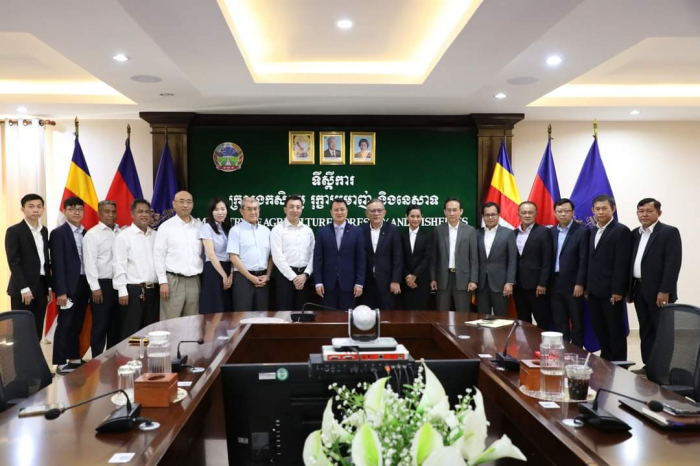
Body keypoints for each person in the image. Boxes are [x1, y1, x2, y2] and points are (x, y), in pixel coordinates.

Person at [629, 198, 682, 367]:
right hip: (639, 289)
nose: (644, 214)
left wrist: (665, 290)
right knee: (645, 330)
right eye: (641, 211)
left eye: (649, 211)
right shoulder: (634, 233)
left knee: (662, 332)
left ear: (659, 213)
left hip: (659, 291)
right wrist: (629, 290)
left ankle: (663, 369)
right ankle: (649, 367)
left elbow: (673, 264)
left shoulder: (669, 232)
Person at [587, 195, 632, 361]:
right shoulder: (592, 231)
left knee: (615, 330)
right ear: (592, 210)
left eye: (604, 208)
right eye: (597, 209)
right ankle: (606, 361)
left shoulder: (621, 231)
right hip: (594, 290)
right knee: (600, 328)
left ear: (613, 209)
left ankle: (619, 363)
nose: (600, 212)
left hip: (612, 292)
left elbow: (622, 263)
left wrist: (618, 290)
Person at [49, 197, 89, 367]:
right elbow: (57, 264)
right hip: (68, 286)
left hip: (84, 283)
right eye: (72, 209)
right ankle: (59, 362)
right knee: (65, 324)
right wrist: (61, 291)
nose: (76, 212)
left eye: (79, 209)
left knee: (78, 322)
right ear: (65, 211)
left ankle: (74, 357)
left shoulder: (87, 232)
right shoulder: (58, 233)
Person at [5, 193, 52, 338]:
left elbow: (45, 260)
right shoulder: (14, 231)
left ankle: (34, 354)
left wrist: (49, 287)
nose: (35, 210)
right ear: (23, 209)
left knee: (37, 328)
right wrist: (24, 288)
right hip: (23, 288)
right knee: (21, 330)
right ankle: (20, 355)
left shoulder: (44, 231)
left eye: (39, 206)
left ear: (43, 209)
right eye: (31, 206)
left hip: (41, 286)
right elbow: (14, 261)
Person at [113, 199, 159, 339]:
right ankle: (131, 353)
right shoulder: (124, 236)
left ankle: (145, 353)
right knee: (132, 331)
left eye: (147, 212)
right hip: (133, 292)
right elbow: (119, 264)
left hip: (153, 291)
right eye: (140, 212)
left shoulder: (156, 235)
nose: (144, 215)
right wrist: (122, 290)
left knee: (149, 331)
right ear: (132, 214)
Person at [154, 191, 203, 320]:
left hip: (194, 281)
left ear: (192, 205)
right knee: (170, 322)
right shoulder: (165, 227)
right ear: (174, 204)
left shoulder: (200, 226)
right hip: (173, 281)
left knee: (192, 322)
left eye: (189, 202)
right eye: (181, 201)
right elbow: (159, 256)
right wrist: (163, 282)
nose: (185, 205)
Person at [314, 198, 365, 311]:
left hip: (350, 285)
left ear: (347, 211)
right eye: (336, 210)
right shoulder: (322, 231)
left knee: (346, 317)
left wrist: (359, 283)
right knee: (328, 318)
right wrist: (318, 282)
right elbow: (317, 259)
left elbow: (361, 260)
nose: (339, 212)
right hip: (327, 286)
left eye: (342, 209)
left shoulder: (357, 232)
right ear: (331, 212)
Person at [549, 199, 589, 347]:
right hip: (554, 283)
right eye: (559, 211)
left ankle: (577, 352)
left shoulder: (582, 231)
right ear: (555, 213)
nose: (563, 214)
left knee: (577, 321)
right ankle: (563, 350)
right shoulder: (551, 232)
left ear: (573, 212)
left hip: (573, 284)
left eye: (566, 211)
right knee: (559, 321)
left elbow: (584, 259)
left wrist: (580, 283)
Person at [83, 200, 120, 356]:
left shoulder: (120, 232)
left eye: (113, 211)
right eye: (107, 211)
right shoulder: (92, 234)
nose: (111, 215)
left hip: (119, 284)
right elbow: (89, 262)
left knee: (115, 325)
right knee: (100, 325)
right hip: (101, 285)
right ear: (99, 213)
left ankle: (113, 358)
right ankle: (97, 359)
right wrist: (95, 287)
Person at [430, 197, 478, 312]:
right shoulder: (438, 230)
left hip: (463, 279)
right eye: (449, 210)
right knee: (442, 314)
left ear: (461, 211)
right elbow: (433, 257)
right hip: (442, 278)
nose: (452, 213)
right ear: (444, 212)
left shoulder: (470, 230)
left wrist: (473, 280)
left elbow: (474, 258)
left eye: (455, 210)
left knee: (463, 314)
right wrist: (433, 278)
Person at [227, 197, 272, 311]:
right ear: (241, 211)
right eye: (249, 209)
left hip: (262, 279)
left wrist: (267, 275)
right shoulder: (235, 230)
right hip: (243, 279)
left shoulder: (266, 231)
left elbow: (271, 257)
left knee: (262, 316)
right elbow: (233, 257)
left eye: (255, 209)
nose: (253, 212)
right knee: (243, 316)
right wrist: (250, 277)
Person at [271, 195, 315, 311]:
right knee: (284, 313)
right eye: (291, 207)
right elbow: (277, 256)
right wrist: (294, 277)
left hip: (304, 278)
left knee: (303, 313)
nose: (295, 210)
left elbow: (313, 255)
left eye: (298, 207)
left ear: (301, 209)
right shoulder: (278, 230)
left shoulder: (308, 230)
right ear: (285, 209)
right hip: (285, 277)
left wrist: (305, 274)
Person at [513, 201, 552, 330]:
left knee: (541, 319)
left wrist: (542, 283)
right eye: (524, 212)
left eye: (530, 212)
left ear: (536, 214)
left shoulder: (544, 232)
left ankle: (542, 343)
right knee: (523, 320)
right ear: (518, 214)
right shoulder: (513, 233)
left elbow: (547, 260)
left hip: (537, 286)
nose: (527, 215)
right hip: (518, 285)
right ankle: (526, 343)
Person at [359, 199, 403, 310]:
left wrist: (395, 280)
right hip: (366, 284)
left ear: (384, 212)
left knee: (386, 316)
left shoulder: (392, 230)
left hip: (387, 283)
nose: (376, 213)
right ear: (367, 213)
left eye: (379, 210)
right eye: (373, 211)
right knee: (367, 316)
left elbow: (398, 257)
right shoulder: (360, 230)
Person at [476, 202, 516, 317]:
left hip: (501, 283)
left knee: (501, 318)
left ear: (499, 215)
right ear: (483, 216)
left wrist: (510, 282)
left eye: (493, 214)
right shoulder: (476, 233)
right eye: (487, 215)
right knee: (482, 317)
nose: (490, 217)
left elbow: (512, 260)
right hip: (481, 283)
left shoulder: (508, 233)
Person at [199, 197, 233, 314]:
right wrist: (224, 275)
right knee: (214, 309)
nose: (220, 212)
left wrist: (231, 274)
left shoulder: (228, 228)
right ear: (211, 212)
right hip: (214, 270)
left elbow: (233, 254)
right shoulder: (207, 228)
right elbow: (211, 255)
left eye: (223, 209)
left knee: (227, 308)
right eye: (216, 209)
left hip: (228, 268)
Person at [399, 205, 433, 310]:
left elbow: (427, 257)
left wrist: (414, 275)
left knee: (422, 312)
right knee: (406, 312)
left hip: (422, 281)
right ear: (406, 216)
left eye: (418, 216)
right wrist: (408, 276)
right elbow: (399, 258)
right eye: (412, 216)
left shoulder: (428, 235)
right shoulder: (401, 234)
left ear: (421, 217)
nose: (415, 219)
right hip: (405, 281)